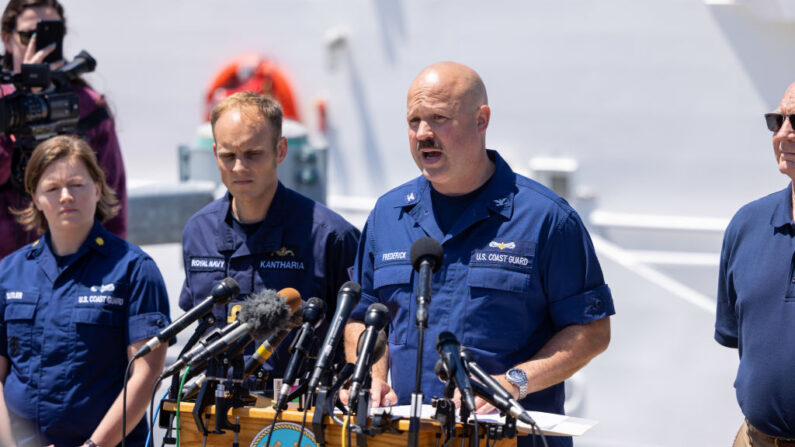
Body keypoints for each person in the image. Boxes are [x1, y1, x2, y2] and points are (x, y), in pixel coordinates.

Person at [343, 62, 614, 447]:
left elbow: (591, 330)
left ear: (481, 119)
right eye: (414, 120)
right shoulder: (387, 215)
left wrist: (513, 384)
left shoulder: (545, 218)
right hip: (406, 437)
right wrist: (371, 376)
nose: (423, 134)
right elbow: (363, 317)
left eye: (439, 118)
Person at [178, 91, 360, 386]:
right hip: (214, 414)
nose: (239, 167)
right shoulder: (197, 232)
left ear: (280, 150)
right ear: (214, 154)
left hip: (298, 417)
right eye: (228, 155)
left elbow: (358, 328)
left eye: (253, 154)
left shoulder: (331, 236)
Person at [0, 135, 170, 447]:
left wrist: (94, 446)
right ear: (35, 198)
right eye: (52, 188)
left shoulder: (134, 270)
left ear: (98, 188)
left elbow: (146, 378)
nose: (65, 196)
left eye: (76, 184)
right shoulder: (8, 274)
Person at [0, 0, 126, 259]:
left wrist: (113, 270)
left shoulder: (88, 105)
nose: (40, 46)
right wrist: (23, 102)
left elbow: (113, 202)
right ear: (7, 38)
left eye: (50, 36)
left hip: (73, 271)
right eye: (28, 36)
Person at [716, 82, 795, 446]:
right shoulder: (746, 225)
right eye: (777, 121)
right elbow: (740, 340)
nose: (783, 135)